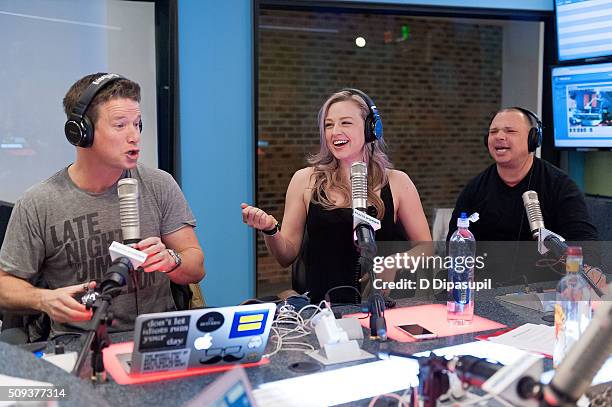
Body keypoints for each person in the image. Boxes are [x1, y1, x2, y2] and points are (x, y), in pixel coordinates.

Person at [0, 73, 205, 338]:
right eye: (120, 125)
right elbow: (4, 285)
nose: (134, 136)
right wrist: (44, 300)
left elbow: (196, 267)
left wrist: (172, 260)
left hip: (157, 336)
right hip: (79, 343)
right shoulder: (39, 203)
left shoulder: (159, 184)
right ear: (81, 132)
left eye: (137, 123)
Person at [242, 89, 431, 303]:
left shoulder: (398, 182)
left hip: (386, 307)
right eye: (329, 125)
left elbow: (428, 248)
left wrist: (396, 262)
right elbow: (286, 257)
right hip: (325, 314)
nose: (334, 131)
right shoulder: (305, 180)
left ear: (372, 129)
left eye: (346, 123)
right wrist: (270, 230)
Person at [448, 107, 605, 290]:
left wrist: (586, 274)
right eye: (493, 132)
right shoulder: (475, 189)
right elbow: (454, 247)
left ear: (533, 139)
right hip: (486, 292)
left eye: (510, 131)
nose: (499, 136)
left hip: (543, 293)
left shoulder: (560, 186)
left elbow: (586, 245)